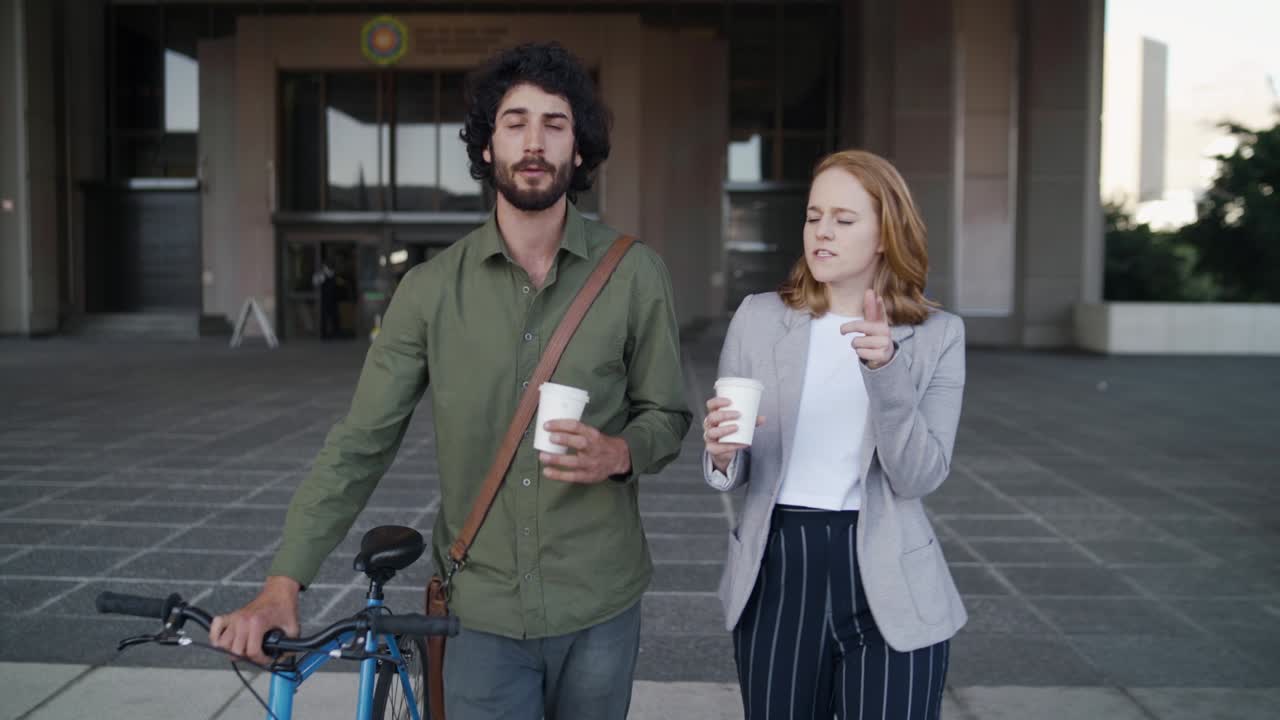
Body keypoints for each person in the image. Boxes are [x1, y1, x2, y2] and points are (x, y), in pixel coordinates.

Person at [211, 42, 692, 720]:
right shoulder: (430, 291)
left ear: (578, 150)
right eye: (514, 121)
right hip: (480, 614)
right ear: (486, 146)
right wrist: (282, 582)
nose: (534, 141)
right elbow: (360, 445)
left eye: (555, 124)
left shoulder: (636, 275)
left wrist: (622, 453)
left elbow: (667, 415)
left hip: (600, 605)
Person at [701, 149, 966, 719]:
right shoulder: (759, 317)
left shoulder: (939, 335)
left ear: (883, 236)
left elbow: (918, 475)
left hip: (887, 570)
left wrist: (886, 372)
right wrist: (722, 453)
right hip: (779, 565)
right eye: (813, 216)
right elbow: (734, 466)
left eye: (844, 220)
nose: (821, 232)